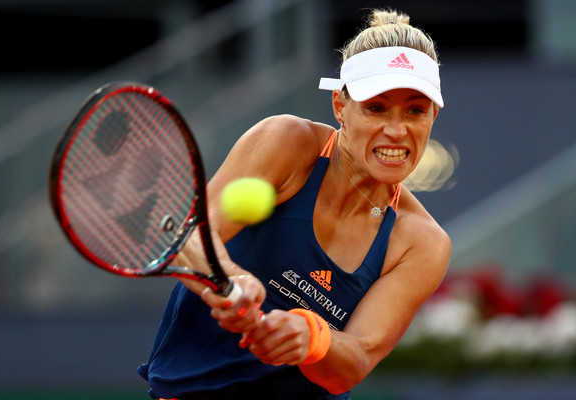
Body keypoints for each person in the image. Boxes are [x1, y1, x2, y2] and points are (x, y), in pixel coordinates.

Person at [138, 8, 451, 400]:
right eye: (375, 107)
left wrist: (313, 337)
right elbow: (192, 237)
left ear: (433, 117)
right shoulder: (286, 142)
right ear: (340, 105)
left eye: (415, 111)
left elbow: (354, 362)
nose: (395, 130)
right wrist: (229, 279)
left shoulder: (422, 243)